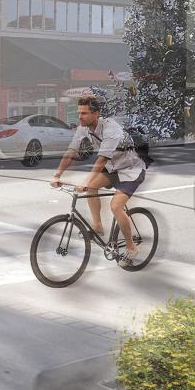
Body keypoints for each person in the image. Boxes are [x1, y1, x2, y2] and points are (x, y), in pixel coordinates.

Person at [50, 95, 150, 266]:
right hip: (113, 168)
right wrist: (57, 175)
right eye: (79, 113)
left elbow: (101, 160)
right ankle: (97, 226)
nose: (80, 117)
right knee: (92, 188)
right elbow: (71, 152)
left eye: (84, 113)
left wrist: (86, 181)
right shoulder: (84, 128)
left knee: (115, 206)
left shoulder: (112, 130)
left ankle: (131, 247)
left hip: (130, 170)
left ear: (96, 114)